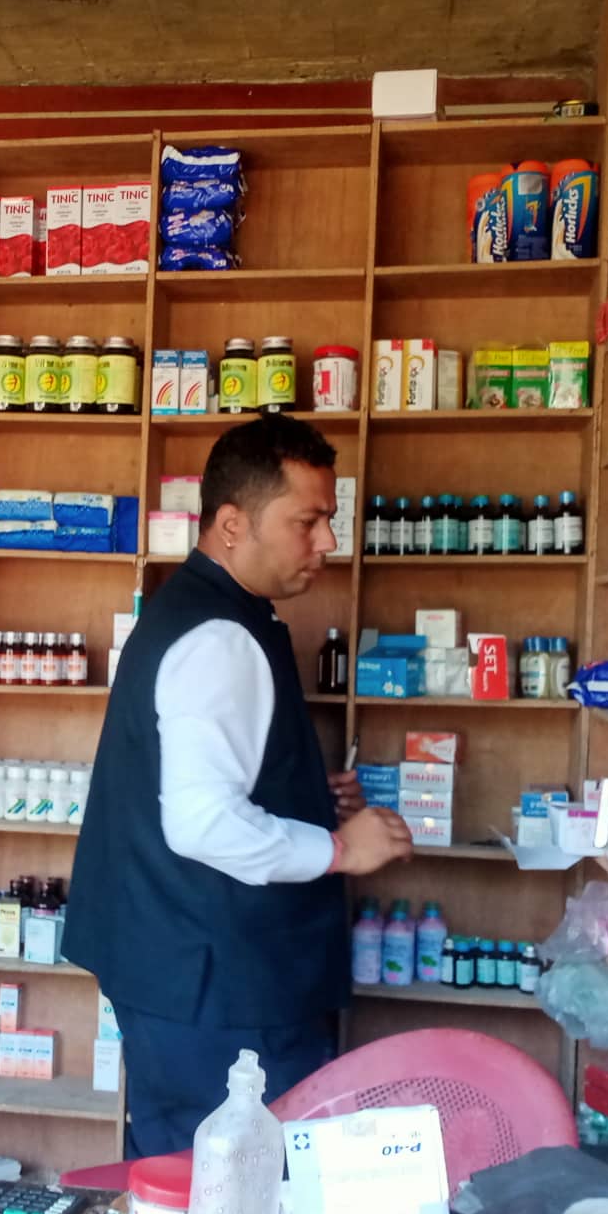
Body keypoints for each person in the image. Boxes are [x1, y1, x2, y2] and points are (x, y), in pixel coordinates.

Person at [66, 414, 413, 1157]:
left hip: (182, 975)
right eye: (307, 522)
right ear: (232, 525)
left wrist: (303, 794)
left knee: (186, 1181)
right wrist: (339, 849)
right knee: (233, 1192)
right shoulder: (220, 636)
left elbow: (205, 772)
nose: (328, 541)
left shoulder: (207, 611)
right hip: (222, 993)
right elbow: (202, 822)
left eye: (329, 519)